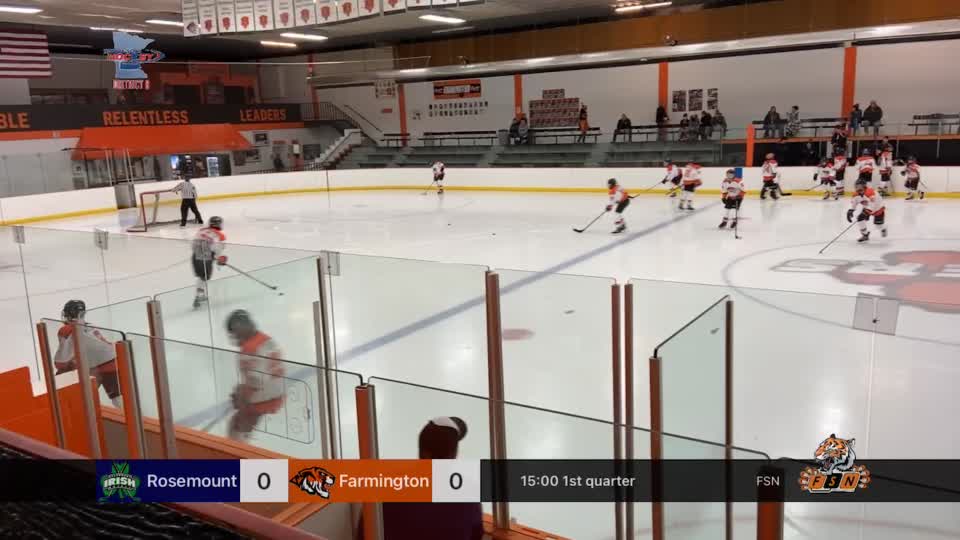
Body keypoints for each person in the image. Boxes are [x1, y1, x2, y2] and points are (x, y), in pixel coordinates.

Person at [380, 417, 483, 540]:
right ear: (454, 454)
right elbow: (476, 534)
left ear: (421, 450)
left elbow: (367, 530)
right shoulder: (468, 492)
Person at [226, 310, 285, 442]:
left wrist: (241, 399)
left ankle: (239, 451)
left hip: (262, 399)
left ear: (240, 328)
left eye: (235, 333)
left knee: (235, 428)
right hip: (277, 394)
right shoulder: (266, 339)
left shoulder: (249, 349)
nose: (235, 337)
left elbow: (255, 382)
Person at [53, 300, 122, 409]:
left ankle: (67, 410)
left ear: (68, 314)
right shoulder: (90, 326)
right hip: (113, 362)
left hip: (97, 367)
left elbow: (61, 361)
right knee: (119, 399)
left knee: (61, 381)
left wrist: (67, 365)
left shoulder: (67, 330)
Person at [192, 216, 227, 309]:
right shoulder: (220, 235)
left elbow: (194, 244)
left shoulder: (202, 230)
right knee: (205, 277)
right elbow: (218, 250)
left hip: (195, 256)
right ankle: (199, 295)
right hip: (206, 258)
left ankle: (200, 294)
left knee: (202, 277)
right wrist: (219, 258)